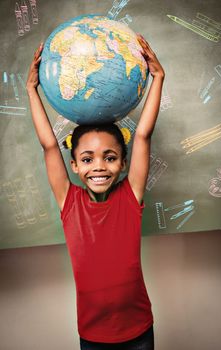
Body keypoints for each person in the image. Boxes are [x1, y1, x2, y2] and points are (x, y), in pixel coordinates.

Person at [26, 33, 165, 350]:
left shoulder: (130, 196)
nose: (99, 166)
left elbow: (142, 135)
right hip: (92, 336)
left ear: (123, 163)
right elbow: (49, 145)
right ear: (74, 165)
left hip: (139, 331)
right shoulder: (69, 201)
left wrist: (158, 77)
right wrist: (31, 90)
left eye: (110, 157)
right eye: (87, 159)